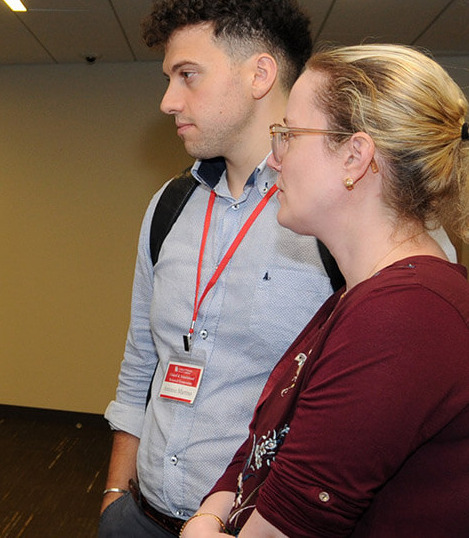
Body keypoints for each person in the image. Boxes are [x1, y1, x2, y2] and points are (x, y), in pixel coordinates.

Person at [180, 44, 469, 537]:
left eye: (288, 135)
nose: (273, 161)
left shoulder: (407, 314)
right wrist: (210, 516)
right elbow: (263, 444)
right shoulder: (360, 296)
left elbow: (290, 522)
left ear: (355, 157)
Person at [99, 0, 323, 535]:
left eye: (187, 76)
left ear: (259, 74)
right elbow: (140, 366)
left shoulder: (338, 212)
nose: (168, 100)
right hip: (141, 514)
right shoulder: (170, 205)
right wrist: (113, 498)